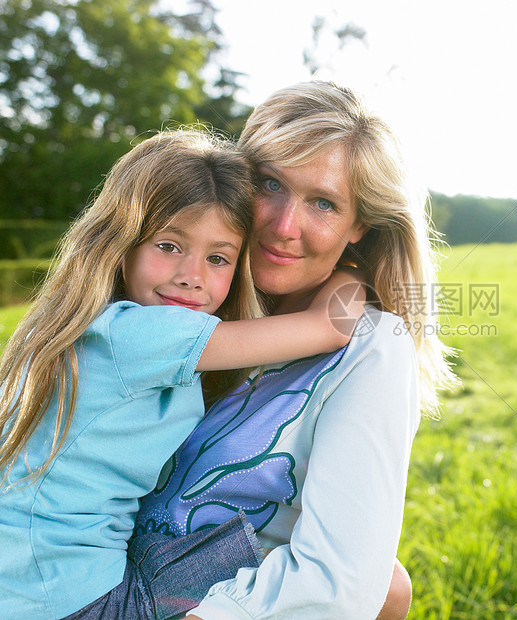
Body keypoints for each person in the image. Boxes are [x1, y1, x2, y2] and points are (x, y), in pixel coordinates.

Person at [0, 129, 365, 619]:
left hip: (35, 588)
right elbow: (329, 325)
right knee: (318, 569)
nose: (191, 275)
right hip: (79, 602)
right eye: (169, 245)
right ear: (122, 241)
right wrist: (357, 266)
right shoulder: (139, 336)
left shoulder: (92, 327)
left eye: (217, 258)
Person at [134, 81, 458, 619]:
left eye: (324, 203)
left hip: (206, 605)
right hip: (78, 577)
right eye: (270, 184)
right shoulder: (179, 292)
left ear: (361, 226)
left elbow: (339, 580)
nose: (285, 227)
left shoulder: (372, 346)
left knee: (389, 587)